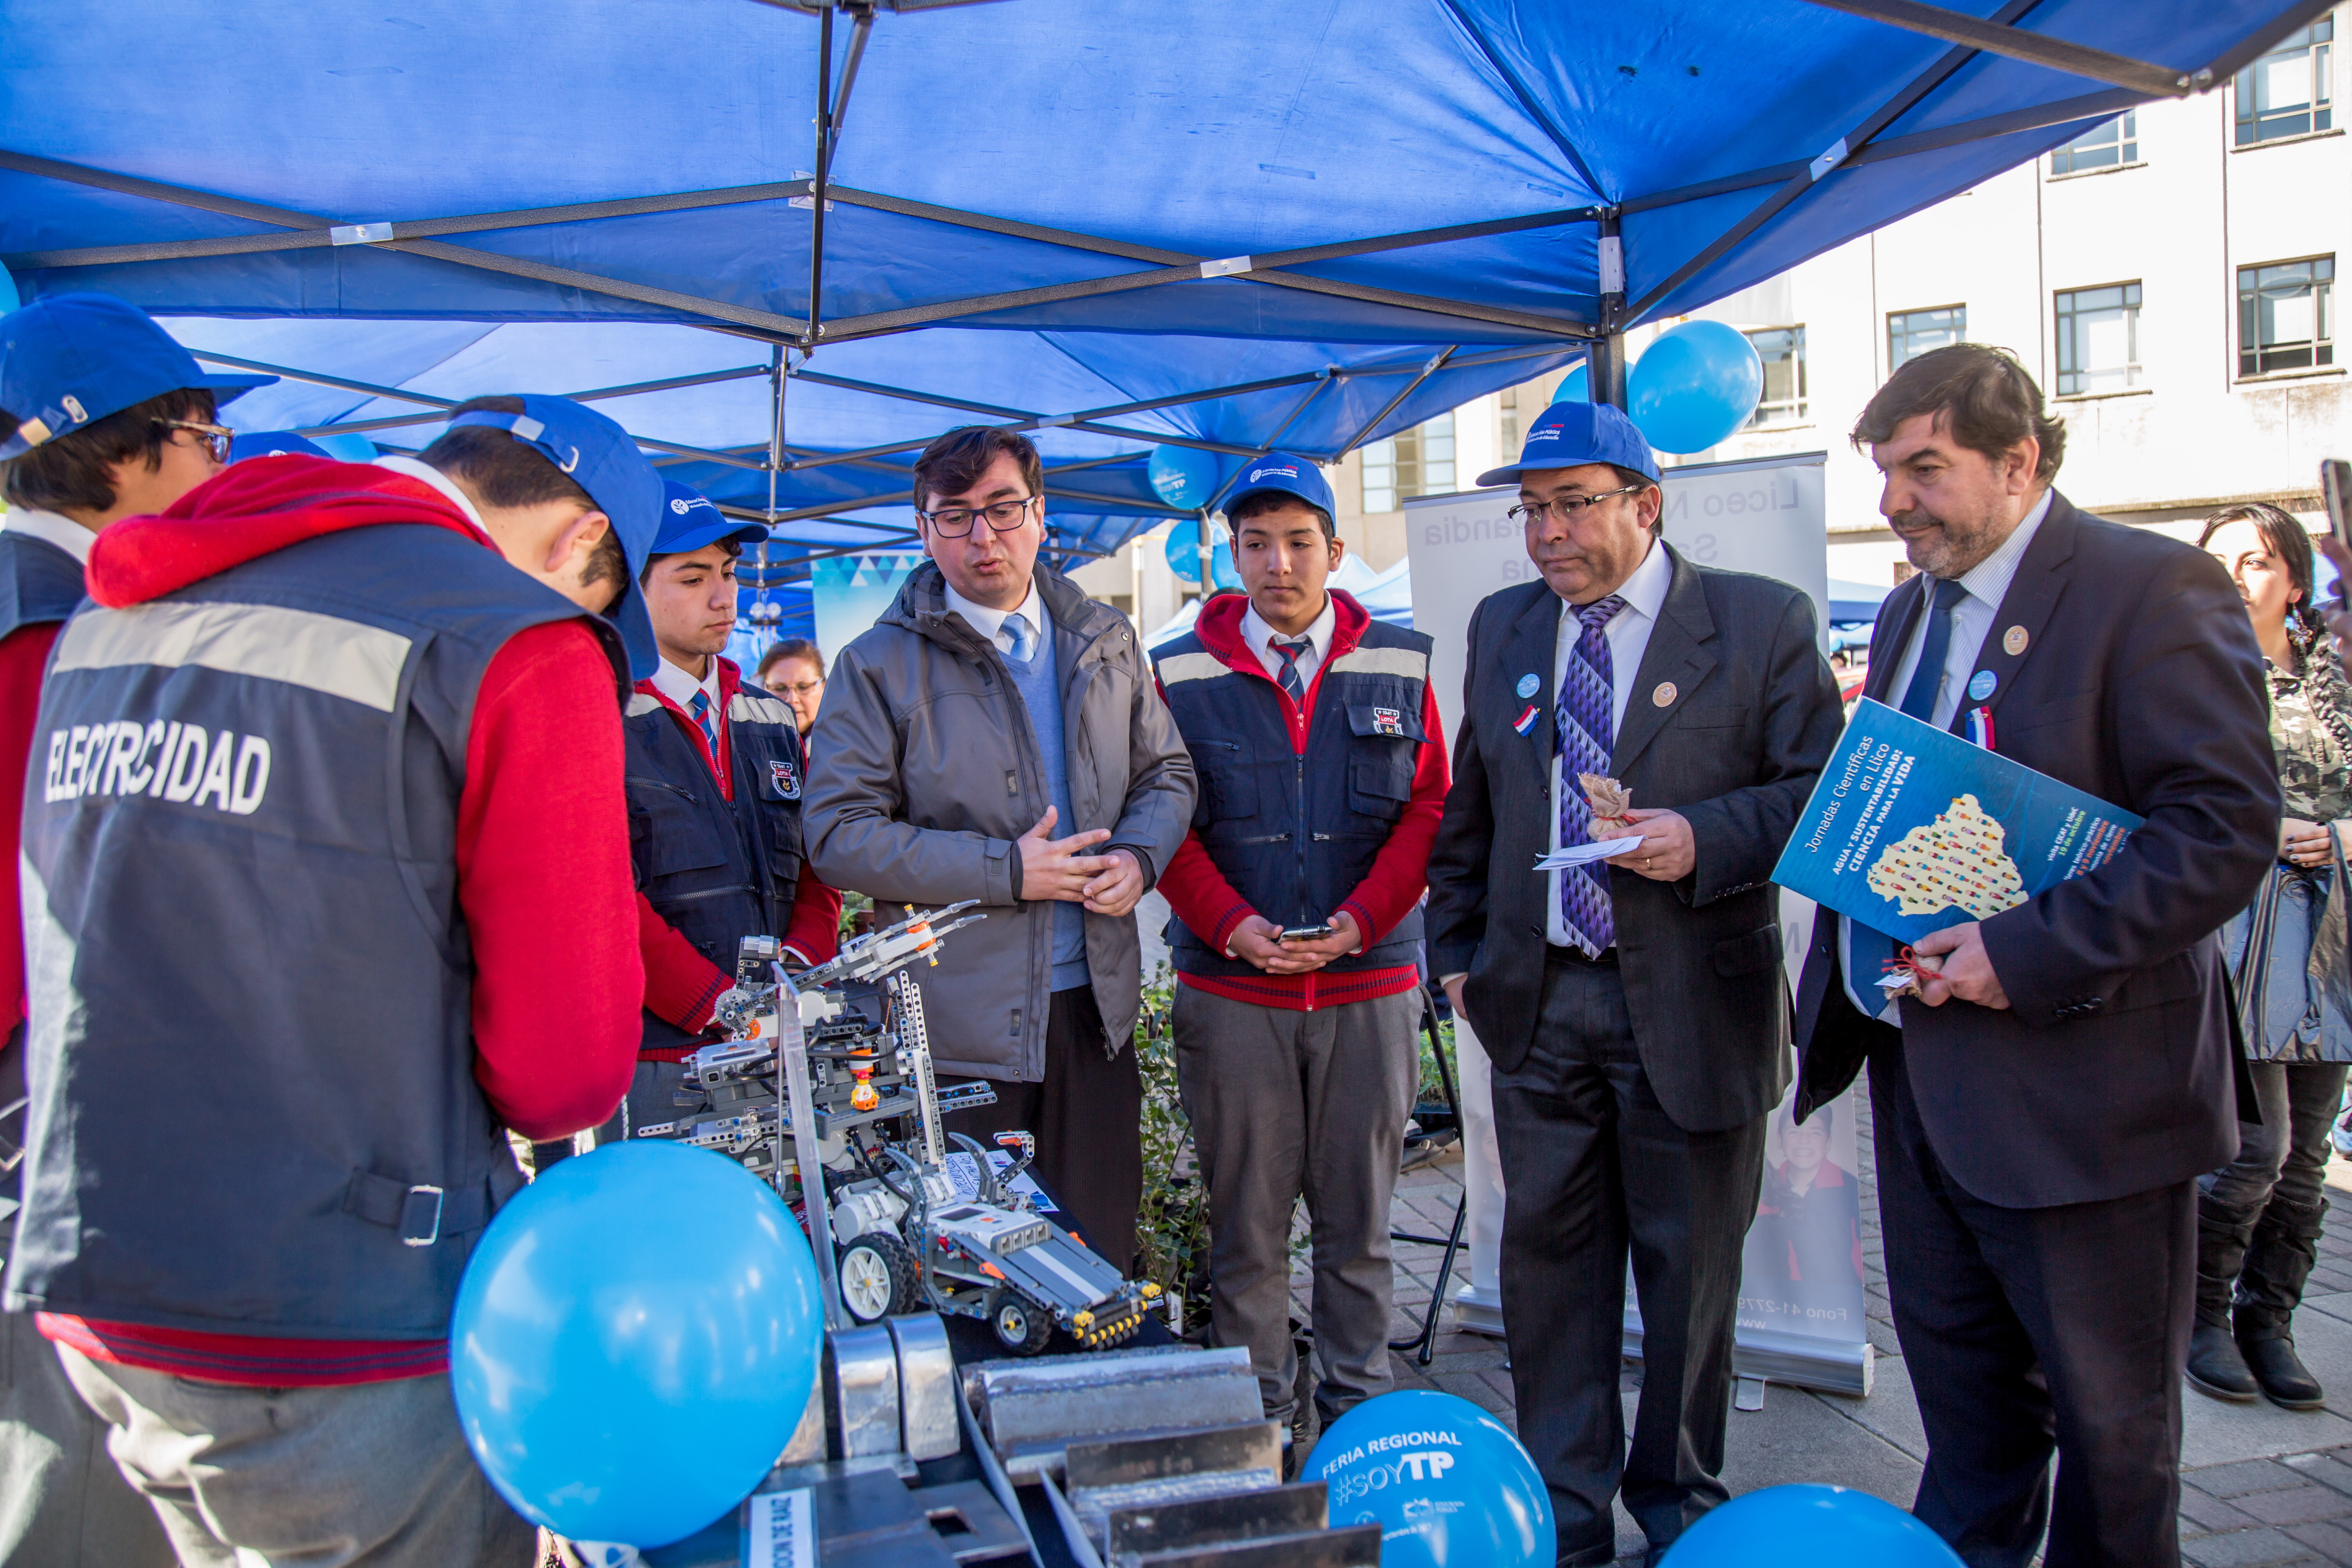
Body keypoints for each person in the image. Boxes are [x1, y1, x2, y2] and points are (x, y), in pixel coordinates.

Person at [4, 393, 656, 1565]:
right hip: (342, 1314)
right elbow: (562, 1073)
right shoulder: (517, 641)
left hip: (99, 1276)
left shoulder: (111, 612)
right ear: (580, 544)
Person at [1790, 344, 2278, 1568]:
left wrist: (2022, 952)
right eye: (1883, 472)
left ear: (2017, 461)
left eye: (1923, 468)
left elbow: (2222, 832)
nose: (1893, 501)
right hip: (1921, 1083)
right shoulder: (1906, 609)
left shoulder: (2149, 587)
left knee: (2112, 1441)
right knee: (1970, 1427)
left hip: (2086, 1102)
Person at [1425, 400, 1844, 1566]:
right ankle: (1564, 1519)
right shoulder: (1506, 624)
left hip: (1694, 1006)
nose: (1546, 533)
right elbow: (1474, 802)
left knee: (1689, 1285)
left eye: (1572, 505)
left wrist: (1701, 836)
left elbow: (1817, 795)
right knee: (1548, 1283)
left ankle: (1677, 1512)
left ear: (1646, 505)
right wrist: (1455, 954)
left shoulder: (1760, 622)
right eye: (1531, 510)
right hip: (1540, 1002)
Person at [0, 292, 266, 1567]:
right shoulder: (52, 630)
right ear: (120, 452)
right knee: (78, 1476)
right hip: (49, 1108)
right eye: (207, 439)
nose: (220, 469)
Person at [803, 426, 1192, 1276]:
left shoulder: (1105, 638)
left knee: (1098, 1264)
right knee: (979, 1279)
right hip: (955, 1036)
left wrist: (1139, 857)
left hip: (1094, 1017)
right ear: (924, 529)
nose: (984, 536)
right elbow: (836, 834)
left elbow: (1166, 771)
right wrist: (1006, 872)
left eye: (1004, 509)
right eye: (956, 516)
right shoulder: (877, 665)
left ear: (1040, 515)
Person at [1150, 455, 1448, 1447]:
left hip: (1369, 989)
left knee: (1360, 1230)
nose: (1277, 563)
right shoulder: (1175, 674)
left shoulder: (1402, 662)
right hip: (1233, 998)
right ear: (1232, 556)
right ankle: (1260, 1425)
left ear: (1334, 549)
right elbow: (1162, 821)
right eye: (1255, 544)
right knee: (1245, 1232)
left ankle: (1360, 1420)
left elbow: (1429, 809)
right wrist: (1230, 925)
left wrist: (1361, 921)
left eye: (1297, 541)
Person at [610, 482, 841, 1138]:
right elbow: (605, 898)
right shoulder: (600, 716)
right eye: (693, 578)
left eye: (729, 573)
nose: (723, 597)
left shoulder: (770, 716)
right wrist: (718, 1004)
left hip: (785, 1044)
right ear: (629, 589)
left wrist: (800, 965)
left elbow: (817, 861)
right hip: (662, 1064)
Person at [2187, 503, 2352, 1411]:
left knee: (2308, 1154)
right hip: (2236, 936)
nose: (2235, 576)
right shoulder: (2188, 672)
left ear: (2294, 580)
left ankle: (2269, 1322)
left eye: (2254, 561)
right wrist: (2264, 832)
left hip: (2331, 937)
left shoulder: (2338, 677)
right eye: (2219, 560)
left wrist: (2343, 838)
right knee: (2257, 1145)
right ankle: (2201, 1317)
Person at [1742, 1101, 1864, 1321]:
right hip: (1770, 1309)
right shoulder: (1762, 1188)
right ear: (1779, 1140)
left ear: (1829, 1142)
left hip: (1832, 1312)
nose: (1804, 1140)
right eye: (1794, 1132)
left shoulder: (1847, 1189)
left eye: (1815, 1133)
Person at [758, 636, 827, 735]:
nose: (792, 699)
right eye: (779, 689)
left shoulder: (846, 738)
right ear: (764, 689)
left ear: (825, 686)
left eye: (804, 687)